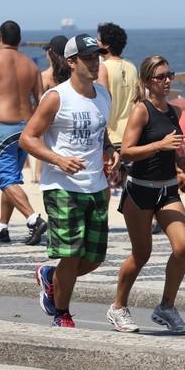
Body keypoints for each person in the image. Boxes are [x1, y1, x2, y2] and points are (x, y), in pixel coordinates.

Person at [20, 34, 119, 327]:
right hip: (61, 187)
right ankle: (62, 313)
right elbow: (28, 138)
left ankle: (51, 276)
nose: (94, 63)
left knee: (94, 258)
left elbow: (100, 133)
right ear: (71, 62)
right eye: (87, 58)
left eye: (96, 57)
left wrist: (110, 150)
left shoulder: (103, 95)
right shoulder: (56, 97)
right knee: (72, 254)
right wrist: (58, 159)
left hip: (98, 187)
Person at [106, 55, 185, 333]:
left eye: (170, 75)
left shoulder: (174, 112)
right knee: (142, 253)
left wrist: (180, 162)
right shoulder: (141, 111)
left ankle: (166, 307)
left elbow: (172, 148)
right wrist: (160, 144)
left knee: (183, 248)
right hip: (140, 191)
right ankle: (118, 307)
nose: (167, 81)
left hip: (168, 190)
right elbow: (127, 151)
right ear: (146, 82)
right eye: (160, 77)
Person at [0, 20, 47, 245]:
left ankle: (33, 219)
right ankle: (2, 227)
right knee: (12, 178)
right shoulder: (31, 65)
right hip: (28, 126)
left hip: (5, 126)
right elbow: (41, 98)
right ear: (20, 40)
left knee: (6, 179)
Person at [96, 22, 139, 195]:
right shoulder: (131, 67)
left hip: (111, 135)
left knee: (104, 182)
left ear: (106, 45)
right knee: (132, 184)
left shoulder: (102, 68)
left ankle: (103, 222)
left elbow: (104, 100)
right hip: (132, 133)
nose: (96, 43)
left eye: (98, 40)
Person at [33, 35, 70, 182]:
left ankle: (37, 174)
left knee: (42, 141)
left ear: (50, 53)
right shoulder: (71, 75)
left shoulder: (45, 76)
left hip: (50, 121)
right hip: (67, 118)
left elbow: (39, 104)